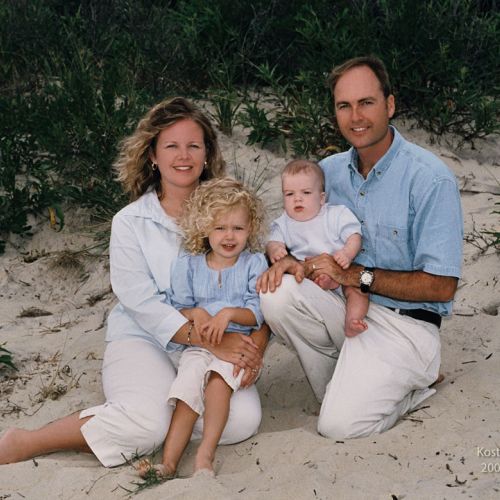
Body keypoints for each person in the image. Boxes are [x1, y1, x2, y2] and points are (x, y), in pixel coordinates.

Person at [0, 97, 270, 467]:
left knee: (241, 422)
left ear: (207, 153)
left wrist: (252, 347)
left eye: (194, 145)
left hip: (215, 342)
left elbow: (261, 282)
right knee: (147, 427)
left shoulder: (232, 211)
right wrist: (216, 342)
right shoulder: (130, 222)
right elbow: (140, 302)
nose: (184, 156)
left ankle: (149, 419)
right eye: (171, 146)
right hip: (144, 337)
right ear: (153, 156)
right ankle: (28, 441)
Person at [257, 56, 463, 439]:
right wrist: (284, 260)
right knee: (277, 294)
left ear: (389, 105)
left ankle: (414, 384)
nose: (356, 116)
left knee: (338, 426)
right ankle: (341, 385)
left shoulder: (430, 179)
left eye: (366, 102)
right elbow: (288, 235)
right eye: (344, 105)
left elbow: (441, 287)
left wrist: (354, 276)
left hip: (407, 326)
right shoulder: (326, 174)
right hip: (346, 313)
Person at [138, 177, 268, 479]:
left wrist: (229, 313)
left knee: (217, 386)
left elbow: (259, 312)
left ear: (251, 229)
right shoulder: (189, 264)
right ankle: (168, 464)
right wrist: (196, 313)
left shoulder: (253, 263)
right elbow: (177, 308)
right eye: (220, 227)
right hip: (199, 346)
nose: (229, 236)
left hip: (235, 348)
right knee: (186, 394)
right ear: (204, 228)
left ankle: (204, 456)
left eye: (238, 228)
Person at [266, 159, 368, 337]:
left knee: (359, 289)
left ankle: (353, 320)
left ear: (322, 198)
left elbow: (354, 236)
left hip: (341, 271)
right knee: (291, 284)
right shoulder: (284, 223)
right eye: (289, 194)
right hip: (308, 277)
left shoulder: (335, 214)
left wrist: (347, 253)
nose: (297, 199)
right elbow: (272, 241)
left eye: (305, 192)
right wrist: (276, 250)